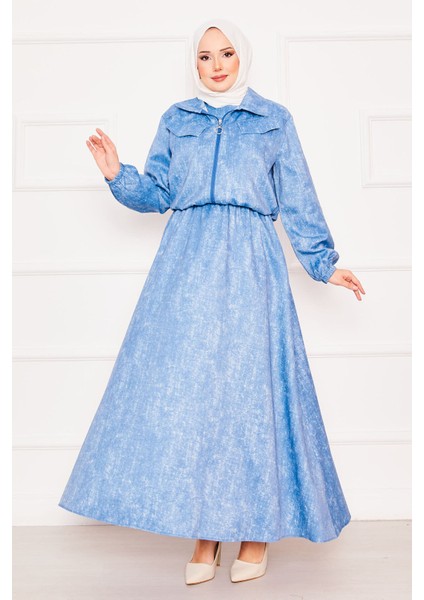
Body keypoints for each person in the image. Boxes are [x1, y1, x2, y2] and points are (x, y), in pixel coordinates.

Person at [58, 18, 365, 586]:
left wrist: (324, 263)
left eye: (225, 54)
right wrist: (117, 175)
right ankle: (206, 533)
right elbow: (159, 192)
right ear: (194, 63)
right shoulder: (177, 119)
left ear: (241, 57)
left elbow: (297, 197)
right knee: (194, 396)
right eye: (204, 56)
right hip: (186, 265)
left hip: (252, 264)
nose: (216, 65)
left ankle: (253, 532)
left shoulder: (273, 120)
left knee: (250, 396)